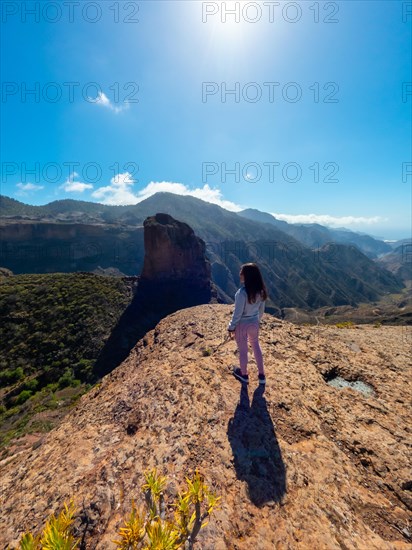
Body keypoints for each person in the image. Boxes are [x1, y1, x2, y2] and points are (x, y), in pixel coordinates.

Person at [228, 263, 268, 385]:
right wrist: (256, 320)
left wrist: (231, 327)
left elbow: (237, 313)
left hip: (242, 325)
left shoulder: (241, 293)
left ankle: (244, 375)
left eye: (242, 272)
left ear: (247, 276)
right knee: (256, 346)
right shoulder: (261, 291)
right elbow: (261, 311)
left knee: (243, 350)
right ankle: (261, 375)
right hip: (254, 323)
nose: (239, 274)